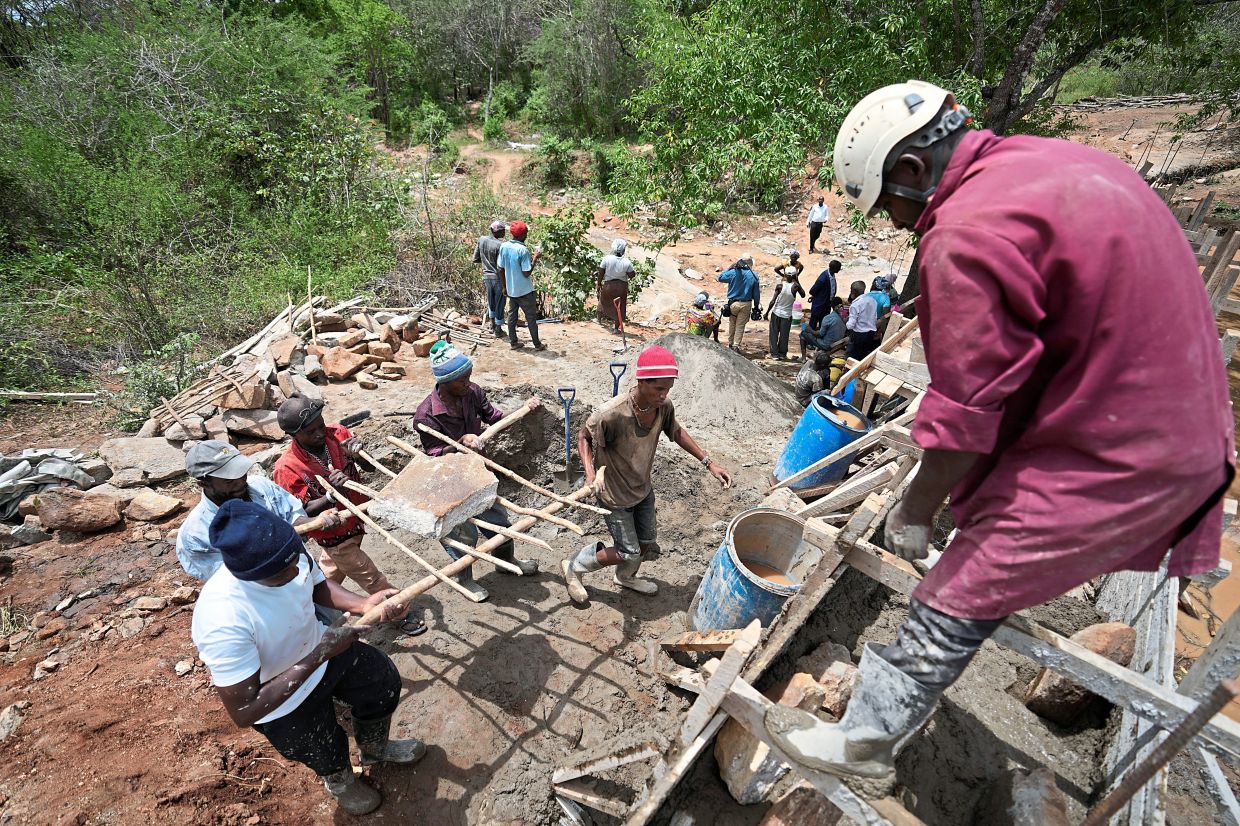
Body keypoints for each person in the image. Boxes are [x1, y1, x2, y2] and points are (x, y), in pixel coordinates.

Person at [766, 80, 1232, 782]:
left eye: (891, 208)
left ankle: (866, 739)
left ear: (915, 172)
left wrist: (917, 510)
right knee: (980, 513)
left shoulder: (968, 230)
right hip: (1167, 417)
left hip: (1122, 448)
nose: (898, 227)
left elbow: (969, 411)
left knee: (963, 581)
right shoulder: (1057, 164)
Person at [191, 500, 424, 815]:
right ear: (247, 574)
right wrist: (319, 654)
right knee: (322, 746)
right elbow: (244, 710)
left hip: (323, 651)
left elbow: (316, 585)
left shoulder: (288, 555)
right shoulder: (222, 617)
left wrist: (364, 604)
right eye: (282, 571)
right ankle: (340, 780)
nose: (294, 570)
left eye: (295, 560)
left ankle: (374, 748)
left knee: (382, 683)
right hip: (280, 700)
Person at [561, 346, 733, 605]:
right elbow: (583, 436)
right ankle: (575, 565)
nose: (664, 395)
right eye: (658, 389)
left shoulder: (662, 407)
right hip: (614, 494)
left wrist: (709, 463)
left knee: (645, 543)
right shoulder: (612, 413)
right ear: (641, 382)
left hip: (642, 489)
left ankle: (625, 577)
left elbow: (675, 431)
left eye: (668, 389)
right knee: (627, 550)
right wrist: (589, 474)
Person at [271, 396, 422, 636]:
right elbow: (300, 513)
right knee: (369, 575)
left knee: (330, 571)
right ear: (294, 435)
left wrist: (359, 455)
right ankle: (400, 611)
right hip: (333, 532)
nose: (321, 433)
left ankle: (309, 609)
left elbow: (370, 469)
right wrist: (332, 496)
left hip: (355, 518)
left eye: (321, 425)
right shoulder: (287, 468)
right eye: (312, 432)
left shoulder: (337, 433)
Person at [414, 341, 543, 600]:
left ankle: (507, 562)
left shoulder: (472, 392)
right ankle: (466, 580)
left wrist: (523, 410)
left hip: (478, 474)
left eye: (468, 376)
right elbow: (433, 456)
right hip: (449, 482)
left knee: (500, 525)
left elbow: (494, 417)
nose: (467, 382)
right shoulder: (426, 416)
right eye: (461, 379)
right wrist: (459, 444)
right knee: (464, 535)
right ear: (445, 381)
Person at [176, 440, 337, 582]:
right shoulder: (195, 536)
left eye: (241, 473)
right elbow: (232, 581)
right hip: (264, 601)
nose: (240, 482)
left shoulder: (261, 486)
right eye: (229, 480)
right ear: (204, 483)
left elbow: (292, 517)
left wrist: (316, 521)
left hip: (303, 574)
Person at [498, 219, 546, 351]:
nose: (527, 235)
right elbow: (526, 273)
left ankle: (513, 342)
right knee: (531, 318)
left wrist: (504, 286)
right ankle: (537, 344)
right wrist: (535, 258)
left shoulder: (504, 246)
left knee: (512, 317)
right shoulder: (523, 250)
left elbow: (500, 268)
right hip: (525, 291)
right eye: (526, 233)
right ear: (522, 235)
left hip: (512, 290)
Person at [718, 255, 761, 353]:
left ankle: (730, 343)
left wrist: (731, 267)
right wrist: (757, 306)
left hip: (733, 303)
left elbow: (720, 277)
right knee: (740, 325)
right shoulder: (754, 275)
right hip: (746, 304)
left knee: (732, 323)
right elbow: (756, 294)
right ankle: (736, 345)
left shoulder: (733, 272)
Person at [474, 220, 508, 338]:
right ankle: (498, 329)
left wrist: (486, 263)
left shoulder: (482, 239)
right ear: (498, 232)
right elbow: (501, 267)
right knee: (500, 303)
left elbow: (476, 258)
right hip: (498, 278)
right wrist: (505, 285)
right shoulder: (501, 245)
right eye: (503, 231)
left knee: (491, 301)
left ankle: (492, 324)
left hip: (487, 276)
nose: (504, 233)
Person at [766, 266, 805, 360]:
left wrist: (767, 312)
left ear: (785, 274)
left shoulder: (780, 286)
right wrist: (797, 281)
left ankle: (774, 354)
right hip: (787, 315)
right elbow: (803, 295)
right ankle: (782, 354)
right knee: (784, 335)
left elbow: (772, 301)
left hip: (776, 313)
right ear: (795, 275)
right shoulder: (795, 287)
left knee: (773, 334)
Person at [597, 238, 636, 332]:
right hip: (621, 287)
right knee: (620, 306)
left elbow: (601, 272)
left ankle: (599, 320)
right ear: (623, 250)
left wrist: (598, 284)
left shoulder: (606, 259)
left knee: (603, 301)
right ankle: (616, 329)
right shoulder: (627, 262)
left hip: (608, 285)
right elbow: (632, 275)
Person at [844, 279, 879, 359]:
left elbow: (851, 325)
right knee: (863, 354)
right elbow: (875, 317)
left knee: (852, 356)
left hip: (859, 335)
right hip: (870, 333)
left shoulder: (855, 305)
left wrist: (845, 323)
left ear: (854, 291)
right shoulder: (872, 300)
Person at [808, 260, 842, 330]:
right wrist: (816, 296)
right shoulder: (823, 278)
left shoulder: (831, 275)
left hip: (827, 304)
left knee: (823, 324)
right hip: (819, 305)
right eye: (838, 268)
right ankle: (808, 339)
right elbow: (813, 290)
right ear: (834, 268)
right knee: (813, 324)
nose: (839, 269)